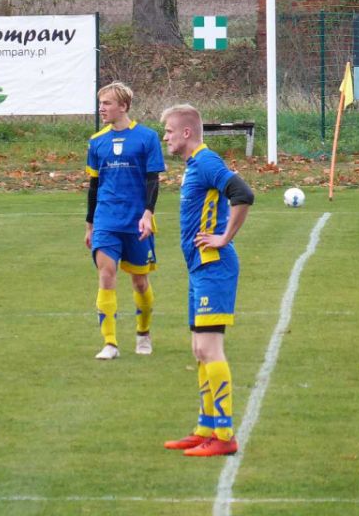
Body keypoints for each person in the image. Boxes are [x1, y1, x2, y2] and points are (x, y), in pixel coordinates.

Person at [160, 104, 254, 457]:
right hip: (199, 268)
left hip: (214, 266)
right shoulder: (193, 166)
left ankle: (224, 435)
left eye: (169, 131)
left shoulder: (207, 162)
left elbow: (243, 194)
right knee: (199, 349)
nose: (165, 137)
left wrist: (224, 237)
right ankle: (205, 428)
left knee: (210, 349)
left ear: (186, 132)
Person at [86, 82, 166, 360]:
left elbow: (152, 179)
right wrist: (90, 225)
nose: (101, 108)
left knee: (140, 282)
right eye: (100, 103)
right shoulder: (96, 141)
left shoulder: (147, 137)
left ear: (123, 106)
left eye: (107, 103)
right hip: (106, 220)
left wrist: (148, 213)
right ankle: (110, 343)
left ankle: (143, 333)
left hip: (136, 221)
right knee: (106, 275)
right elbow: (94, 186)